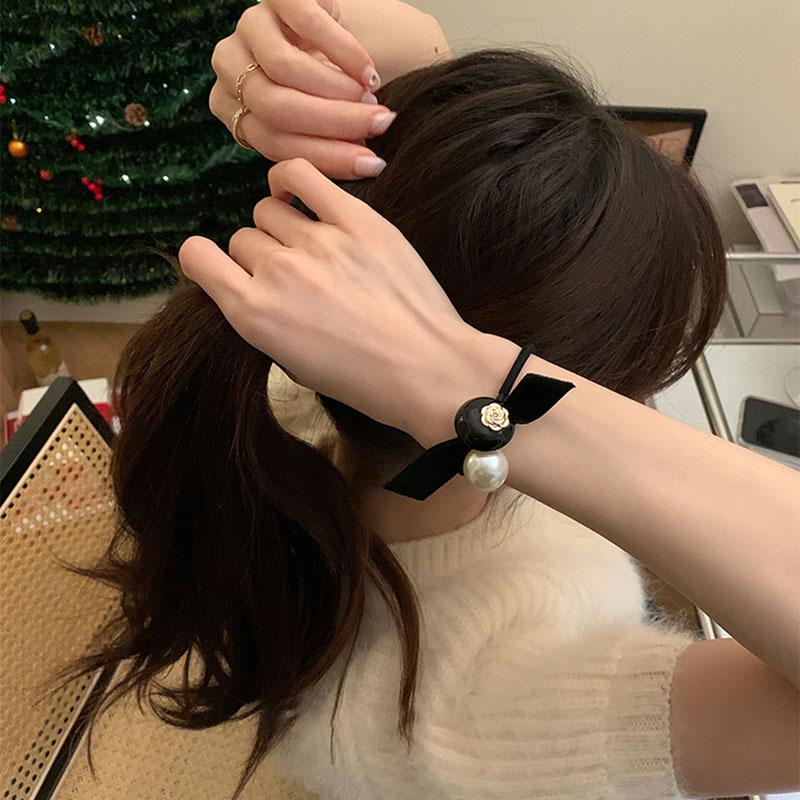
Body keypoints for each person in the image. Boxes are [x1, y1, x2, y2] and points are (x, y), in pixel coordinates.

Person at [60, 2, 799, 799]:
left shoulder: (287, 396)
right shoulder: (501, 707)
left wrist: (371, 64)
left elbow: (444, 222)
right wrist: (473, 385)